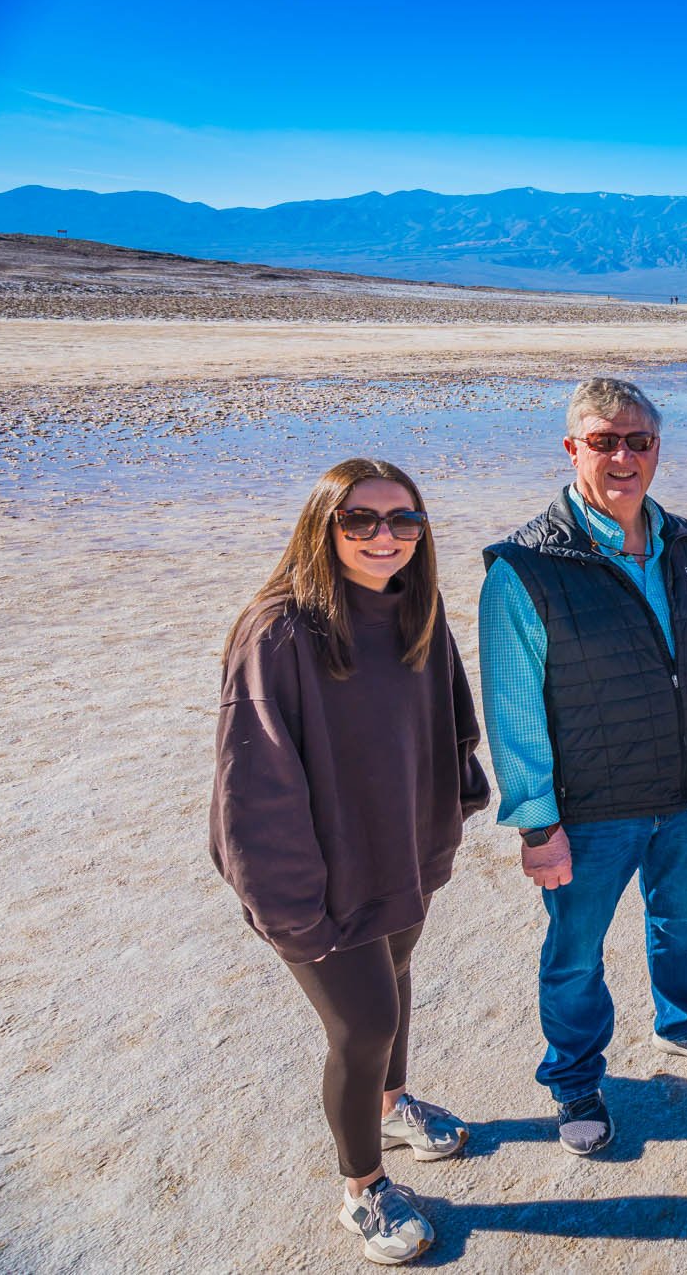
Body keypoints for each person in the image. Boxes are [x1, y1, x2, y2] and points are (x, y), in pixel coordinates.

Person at [211, 458, 490, 1265]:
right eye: (360, 520)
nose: (384, 536)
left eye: (403, 520)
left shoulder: (416, 607)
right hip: (314, 882)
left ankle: (393, 1104)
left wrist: (454, 805)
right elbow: (252, 786)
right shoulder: (279, 630)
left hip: (402, 850)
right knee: (362, 1020)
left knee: (396, 984)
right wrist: (291, 907)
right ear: (322, 526)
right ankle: (362, 1186)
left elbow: (452, 716)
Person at [479, 377, 687, 1157]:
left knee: (680, 920)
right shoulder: (527, 566)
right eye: (605, 440)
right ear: (572, 448)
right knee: (575, 951)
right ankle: (574, 1078)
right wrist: (537, 822)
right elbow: (513, 709)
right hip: (591, 805)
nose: (624, 456)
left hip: (682, 788)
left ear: (658, 449)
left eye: (639, 440)